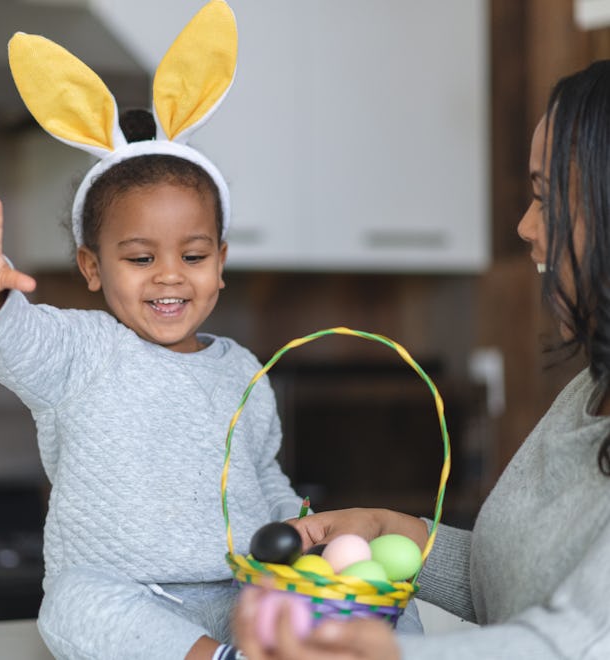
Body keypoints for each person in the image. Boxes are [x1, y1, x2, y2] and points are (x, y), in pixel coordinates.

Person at [0, 3, 305, 659]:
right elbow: (19, 344)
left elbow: (263, 476)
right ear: (92, 268)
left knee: (362, 602)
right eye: (139, 258)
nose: (169, 278)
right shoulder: (82, 351)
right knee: (75, 608)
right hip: (126, 594)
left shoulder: (242, 368)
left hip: (238, 586)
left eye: (193, 255)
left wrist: (307, 534)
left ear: (221, 263)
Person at [232, 59, 610, 659]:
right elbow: (518, 587)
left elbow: (576, 643)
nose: (524, 226)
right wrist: (390, 528)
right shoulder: (587, 394)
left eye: (544, 196)